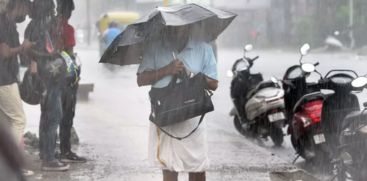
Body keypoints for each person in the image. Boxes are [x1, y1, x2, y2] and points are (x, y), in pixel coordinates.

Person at [137, 26, 218, 181]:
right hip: (165, 115)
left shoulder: (203, 48)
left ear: (189, 28)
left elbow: (214, 83)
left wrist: (193, 75)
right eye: (172, 28)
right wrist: (166, 70)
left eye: (181, 28)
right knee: (169, 166)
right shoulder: (154, 47)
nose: (176, 31)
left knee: (197, 166)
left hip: (193, 116)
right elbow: (141, 79)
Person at [24, 0, 69, 171]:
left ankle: (46, 152)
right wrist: (45, 58)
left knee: (47, 115)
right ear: (45, 8)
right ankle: (49, 159)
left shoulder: (38, 25)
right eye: (51, 7)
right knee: (53, 115)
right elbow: (32, 50)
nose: (54, 10)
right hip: (48, 78)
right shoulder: (38, 26)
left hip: (47, 77)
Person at [0, 0, 34, 176]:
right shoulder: (3, 22)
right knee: (18, 119)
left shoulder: (8, 22)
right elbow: (4, 52)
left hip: (5, 78)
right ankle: (11, 165)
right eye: (26, 7)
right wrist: (23, 47)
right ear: (17, 5)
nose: (27, 12)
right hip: (4, 80)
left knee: (5, 123)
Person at [53, 0, 86, 163]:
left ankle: (49, 152)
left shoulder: (48, 27)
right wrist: (74, 77)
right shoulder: (68, 29)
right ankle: (65, 150)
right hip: (65, 79)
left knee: (52, 115)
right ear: (69, 11)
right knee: (67, 115)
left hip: (50, 77)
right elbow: (69, 56)